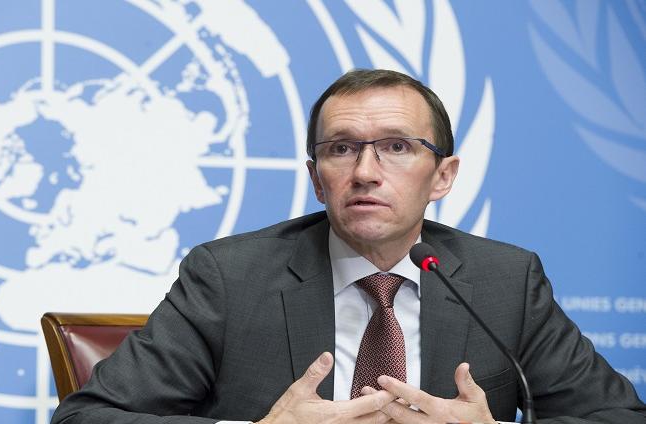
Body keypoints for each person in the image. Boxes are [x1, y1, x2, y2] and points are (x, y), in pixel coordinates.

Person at [51, 69, 646, 424]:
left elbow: (619, 417)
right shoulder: (229, 277)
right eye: (341, 149)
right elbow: (87, 417)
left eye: (397, 147)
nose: (364, 172)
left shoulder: (505, 281)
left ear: (443, 176)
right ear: (317, 180)